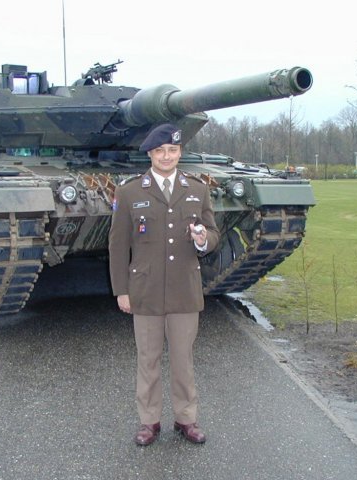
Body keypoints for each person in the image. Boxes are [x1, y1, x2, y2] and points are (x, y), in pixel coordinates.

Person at [108, 123, 220, 446]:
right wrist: (121, 290)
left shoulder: (197, 189)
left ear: (180, 152)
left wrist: (203, 239)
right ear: (150, 154)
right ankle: (149, 422)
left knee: (184, 360)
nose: (166, 156)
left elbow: (213, 233)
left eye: (172, 150)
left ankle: (186, 419)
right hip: (145, 291)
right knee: (148, 360)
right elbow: (118, 245)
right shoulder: (130, 192)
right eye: (160, 151)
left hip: (185, 289)